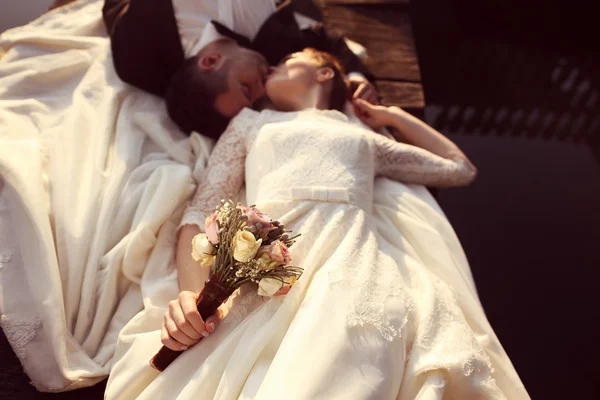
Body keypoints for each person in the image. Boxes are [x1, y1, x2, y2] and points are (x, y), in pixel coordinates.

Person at [104, 49, 526, 400]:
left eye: (289, 59)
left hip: (352, 256)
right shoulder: (252, 123)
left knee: (351, 362)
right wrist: (192, 296)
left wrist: (390, 116)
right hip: (272, 261)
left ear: (324, 71)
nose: (272, 67)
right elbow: (200, 212)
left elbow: (458, 168)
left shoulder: (364, 138)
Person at [102, 0, 378, 138]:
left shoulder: (137, 56)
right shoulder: (274, 53)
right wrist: (355, 76)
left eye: (246, 87)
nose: (264, 85)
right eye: (257, 97)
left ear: (210, 62)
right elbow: (325, 40)